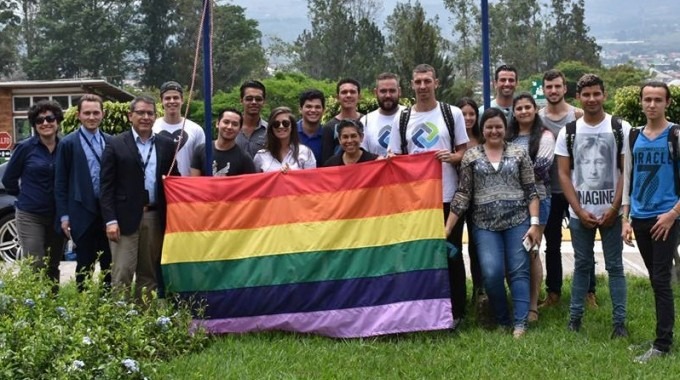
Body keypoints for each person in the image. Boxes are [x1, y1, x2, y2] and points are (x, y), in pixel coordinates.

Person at [446, 108, 541, 338]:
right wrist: (447, 228)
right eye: (489, 127)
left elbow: (531, 190)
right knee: (491, 272)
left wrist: (535, 223)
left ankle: (520, 324)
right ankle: (502, 319)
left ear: (505, 128)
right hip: (484, 225)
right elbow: (463, 194)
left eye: (498, 126)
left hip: (517, 221)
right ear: (482, 129)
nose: (494, 131)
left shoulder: (519, 153)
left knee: (519, 271)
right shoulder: (471, 156)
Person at [388, 64, 468, 328]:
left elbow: (464, 153)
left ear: (437, 82)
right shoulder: (402, 118)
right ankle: (421, 311)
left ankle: (456, 312)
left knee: (451, 255)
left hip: (447, 196)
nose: (423, 87)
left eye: (427, 81)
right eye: (418, 82)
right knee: (418, 256)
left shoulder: (451, 113)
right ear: (411, 84)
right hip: (416, 201)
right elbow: (395, 158)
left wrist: (453, 157)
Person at [554, 73, 630, 338]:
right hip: (580, 213)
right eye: (586, 94)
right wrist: (577, 209)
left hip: (612, 210)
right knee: (582, 265)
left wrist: (614, 209)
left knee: (615, 267)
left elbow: (625, 171)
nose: (592, 99)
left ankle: (619, 323)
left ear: (604, 95)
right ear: (578, 97)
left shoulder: (621, 128)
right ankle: (575, 319)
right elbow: (564, 174)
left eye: (597, 93)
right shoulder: (569, 131)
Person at [100, 95, 180, 298]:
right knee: (122, 272)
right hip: (123, 219)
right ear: (130, 116)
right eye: (141, 112)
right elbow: (106, 186)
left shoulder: (166, 144)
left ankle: (143, 321)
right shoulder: (115, 144)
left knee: (149, 274)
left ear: (155, 117)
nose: (145, 117)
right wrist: (110, 220)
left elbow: (174, 179)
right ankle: (121, 323)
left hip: (154, 217)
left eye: (150, 113)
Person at [622, 81, 679, 363]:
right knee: (657, 279)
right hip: (640, 217)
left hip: (665, 218)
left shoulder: (675, 135)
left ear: (667, 103)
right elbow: (628, 179)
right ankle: (661, 336)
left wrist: (673, 214)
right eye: (648, 99)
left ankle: (662, 345)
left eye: (658, 99)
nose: (652, 104)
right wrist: (626, 217)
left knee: (660, 280)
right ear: (642, 102)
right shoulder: (634, 136)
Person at [538, 69, 597, 308]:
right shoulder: (537, 117)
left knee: (583, 244)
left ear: (565, 89)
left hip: (578, 191)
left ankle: (589, 292)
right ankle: (553, 293)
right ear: (543, 90)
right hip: (549, 191)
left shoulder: (578, 115)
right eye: (549, 87)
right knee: (551, 245)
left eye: (557, 86)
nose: (553, 91)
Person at [2, 100, 64, 286]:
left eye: (50, 118)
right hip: (31, 215)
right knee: (35, 263)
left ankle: (52, 306)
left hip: (57, 215)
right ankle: (34, 305)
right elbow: (8, 179)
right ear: (34, 125)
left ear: (57, 121)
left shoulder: (66, 147)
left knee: (53, 264)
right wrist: (23, 196)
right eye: (39, 120)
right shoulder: (25, 148)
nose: (45, 123)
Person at [54, 94, 112, 291]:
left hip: (106, 213)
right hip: (81, 211)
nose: (91, 117)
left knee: (108, 263)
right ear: (79, 115)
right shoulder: (68, 144)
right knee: (85, 263)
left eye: (96, 112)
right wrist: (64, 216)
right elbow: (60, 183)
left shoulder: (110, 142)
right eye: (87, 113)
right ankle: (83, 305)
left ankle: (107, 306)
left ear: (102, 114)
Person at [506, 93, 555, 322]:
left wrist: (506, 176)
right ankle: (518, 300)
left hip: (539, 199)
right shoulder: (508, 136)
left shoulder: (545, 136)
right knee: (514, 251)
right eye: (519, 108)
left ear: (535, 109)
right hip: (510, 203)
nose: (524, 111)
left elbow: (541, 169)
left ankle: (533, 306)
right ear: (513, 112)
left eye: (528, 107)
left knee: (532, 250)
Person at [454, 97, 485, 317]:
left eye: (471, 114)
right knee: (454, 248)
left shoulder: (484, 140)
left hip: (480, 204)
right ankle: (457, 294)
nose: (467, 118)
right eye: (463, 114)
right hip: (455, 201)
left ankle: (480, 292)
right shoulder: (452, 142)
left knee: (477, 248)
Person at [190, 108, 256, 176]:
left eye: (235, 124)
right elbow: (194, 182)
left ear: (240, 129)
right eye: (226, 122)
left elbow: (249, 184)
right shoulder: (201, 150)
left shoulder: (245, 158)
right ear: (217, 124)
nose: (229, 127)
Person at [254, 107, 316, 172]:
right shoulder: (261, 156)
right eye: (276, 124)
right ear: (271, 128)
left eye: (285, 123)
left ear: (292, 126)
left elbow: (312, 180)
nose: (281, 126)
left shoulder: (305, 152)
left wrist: (292, 175)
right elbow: (257, 180)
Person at [360, 73, 404, 157]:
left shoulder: (410, 116)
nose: (388, 95)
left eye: (392, 91)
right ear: (375, 92)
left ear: (399, 91)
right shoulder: (366, 121)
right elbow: (362, 156)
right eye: (383, 91)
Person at [321, 78, 363, 164]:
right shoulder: (329, 127)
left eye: (352, 92)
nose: (348, 95)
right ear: (337, 97)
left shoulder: (367, 121)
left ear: (359, 97)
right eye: (344, 92)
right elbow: (326, 162)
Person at [236, 80, 268, 158]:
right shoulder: (230, 128)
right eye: (249, 99)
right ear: (241, 101)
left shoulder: (270, 131)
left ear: (264, 102)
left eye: (258, 99)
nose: (254, 102)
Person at [297, 89, 326, 163]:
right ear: (300, 109)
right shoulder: (290, 132)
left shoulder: (328, 134)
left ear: (323, 110)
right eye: (309, 106)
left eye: (317, 107)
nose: (313, 110)